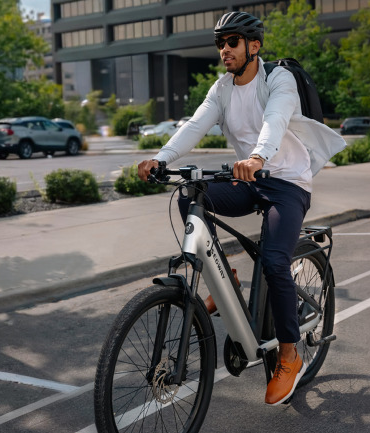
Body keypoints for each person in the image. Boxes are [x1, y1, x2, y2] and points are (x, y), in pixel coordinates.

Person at [137, 11, 345, 405]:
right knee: (190, 194)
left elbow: (275, 119)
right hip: (249, 180)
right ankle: (225, 280)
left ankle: (289, 355)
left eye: (232, 41)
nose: (224, 50)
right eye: (220, 43)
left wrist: (258, 157)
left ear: (254, 45)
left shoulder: (278, 79)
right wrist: (161, 159)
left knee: (274, 262)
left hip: (287, 184)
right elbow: (194, 125)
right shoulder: (222, 89)